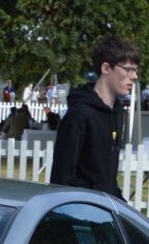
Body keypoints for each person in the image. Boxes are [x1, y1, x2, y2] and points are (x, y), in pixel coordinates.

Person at [49, 36, 139, 198]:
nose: (134, 76)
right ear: (106, 68)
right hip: (80, 215)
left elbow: (106, 177)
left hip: (103, 211)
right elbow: (61, 178)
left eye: (135, 70)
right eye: (128, 69)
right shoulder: (79, 115)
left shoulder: (117, 113)